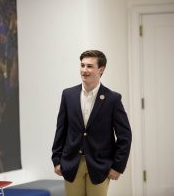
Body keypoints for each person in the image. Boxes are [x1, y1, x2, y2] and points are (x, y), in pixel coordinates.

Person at [51, 50, 132, 196]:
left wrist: (118, 166)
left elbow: (125, 136)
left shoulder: (112, 99)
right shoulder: (68, 95)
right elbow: (61, 130)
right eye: (82, 65)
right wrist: (56, 159)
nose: (84, 70)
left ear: (101, 69)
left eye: (89, 66)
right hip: (71, 164)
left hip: (100, 165)